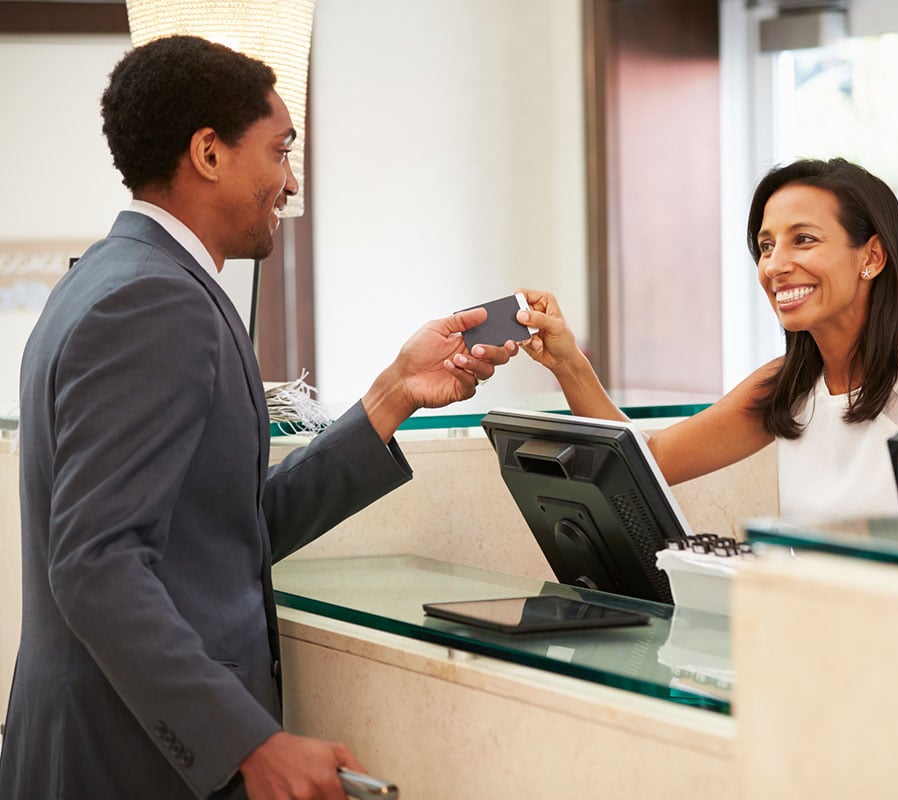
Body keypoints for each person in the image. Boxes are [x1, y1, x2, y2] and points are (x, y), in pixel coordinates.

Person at [0, 36, 516, 800]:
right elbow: (96, 565)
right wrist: (250, 744)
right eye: (279, 152)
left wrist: (393, 393)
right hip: (125, 762)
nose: (290, 179)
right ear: (208, 153)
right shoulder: (156, 300)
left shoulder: (110, 278)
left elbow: (221, 533)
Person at [516, 157, 898, 523]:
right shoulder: (788, 385)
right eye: (765, 245)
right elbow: (648, 462)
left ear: (872, 257)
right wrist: (568, 363)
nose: (775, 265)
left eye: (804, 239)